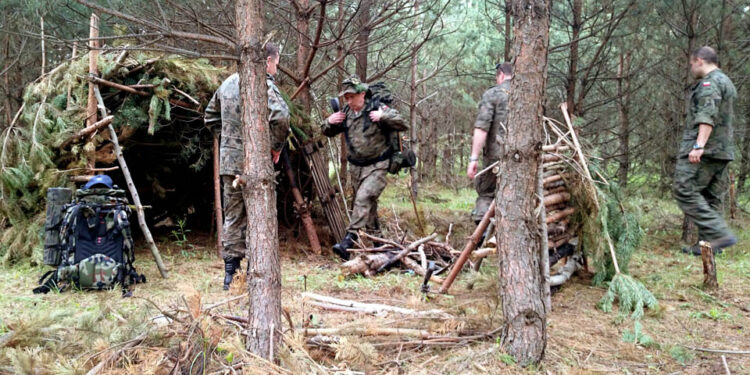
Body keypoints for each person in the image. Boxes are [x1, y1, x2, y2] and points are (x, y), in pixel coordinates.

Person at [205, 42, 290, 289]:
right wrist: (274, 147)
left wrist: (229, 139)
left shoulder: (227, 83)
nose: (276, 67)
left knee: (233, 216)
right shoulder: (262, 84)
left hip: (229, 163)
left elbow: (209, 117)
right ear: (268, 61)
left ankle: (230, 274)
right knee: (259, 216)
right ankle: (257, 271)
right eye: (276, 62)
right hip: (255, 163)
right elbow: (282, 117)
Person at [322, 76, 408, 259]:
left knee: (363, 198)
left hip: (378, 165)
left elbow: (402, 123)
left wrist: (383, 116)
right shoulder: (346, 112)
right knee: (369, 206)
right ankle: (381, 245)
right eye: (346, 97)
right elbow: (328, 132)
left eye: (352, 96)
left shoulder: (376, 107)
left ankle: (349, 240)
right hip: (356, 168)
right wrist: (329, 121)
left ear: (362, 93)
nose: (349, 100)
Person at [674, 46, 737, 256]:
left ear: (700, 60)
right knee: (711, 196)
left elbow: (707, 115)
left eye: (692, 64)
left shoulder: (710, 83)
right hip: (722, 150)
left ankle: (718, 234)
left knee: (683, 189)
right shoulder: (726, 81)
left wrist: (698, 145)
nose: (691, 68)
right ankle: (709, 246)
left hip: (707, 149)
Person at [467, 63, 511, 224]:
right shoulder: (529, 95)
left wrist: (473, 159)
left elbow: (481, 128)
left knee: (486, 192)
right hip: (524, 159)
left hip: (496, 158)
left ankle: (482, 237)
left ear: (500, 75)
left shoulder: (493, 94)